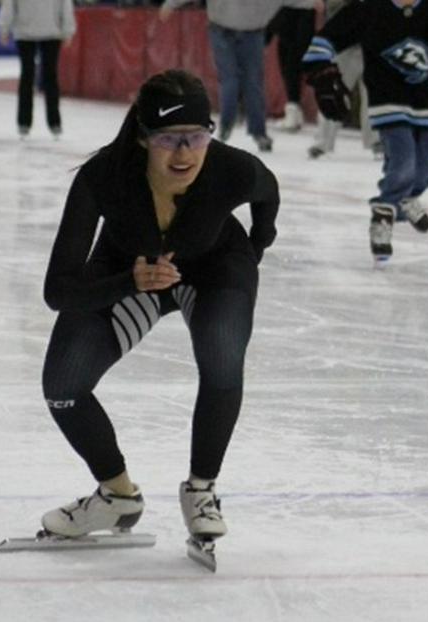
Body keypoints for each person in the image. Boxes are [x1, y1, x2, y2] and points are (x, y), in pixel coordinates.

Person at [37, 69, 278, 548]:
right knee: (63, 386)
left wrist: (256, 245)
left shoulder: (230, 168)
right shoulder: (104, 178)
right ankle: (117, 495)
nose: (184, 153)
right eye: (169, 139)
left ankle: (201, 489)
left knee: (222, 354)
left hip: (214, 268)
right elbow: (58, 290)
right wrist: (129, 281)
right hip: (129, 272)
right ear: (144, 138)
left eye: (196, 136)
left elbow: (267, 192)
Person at [303, 0, 428, 262]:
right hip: (387, 101)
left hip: (424, 102)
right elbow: (325, 41)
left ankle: (407, 198)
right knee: (403, 161)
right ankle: (384, 211)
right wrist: (322, 73)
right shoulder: (368, 8)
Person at [159, 0, 282, 152]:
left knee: (230, 79)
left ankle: (227, 126)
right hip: (249, 29)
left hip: (225, 27)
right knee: (252, 82)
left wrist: (171, 4)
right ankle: (258, 133)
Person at [306, 0, 378, 159]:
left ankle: (377, 141)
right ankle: (323, 141)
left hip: (376, 39)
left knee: (376, 94)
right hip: (345, 39)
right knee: (334, 89)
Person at [0, 0, 76, 138]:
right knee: (43, 77)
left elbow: (65, 4)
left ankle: (33, 122)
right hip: (35, 32)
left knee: (35, 76)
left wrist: (4, 27)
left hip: (44, 32)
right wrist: (4, 27)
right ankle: (45, 122)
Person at [267, 0, 320, 133]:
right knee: (290, 62)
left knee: (294, 61)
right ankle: (293, 110)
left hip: (303, 10)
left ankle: (296, 111)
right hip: (289, 10)